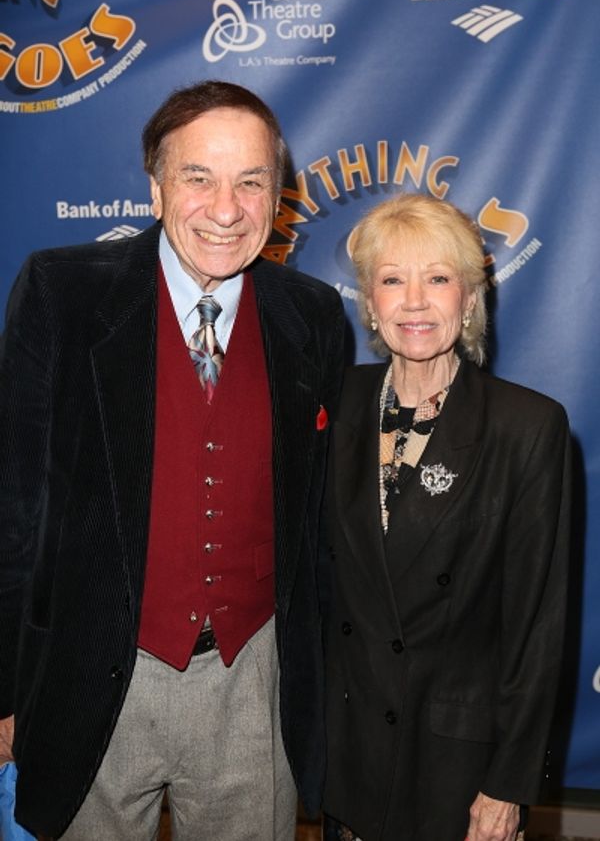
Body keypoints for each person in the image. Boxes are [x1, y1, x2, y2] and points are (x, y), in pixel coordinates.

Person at [0, 80, 344, 841]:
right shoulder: (62, 294)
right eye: (199, 178)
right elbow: (13, 511)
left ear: (277, 197)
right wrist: (4, 690)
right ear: (157, 189)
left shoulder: (313, 316)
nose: (227, 209)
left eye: (251, 182)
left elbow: (318, 527)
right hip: (94, 674)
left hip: (252, 681)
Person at [321, 193, 570, 841]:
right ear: (370, 302)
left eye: (438, 279)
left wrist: (507, 785)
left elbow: (536, 626)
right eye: (392, 280)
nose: (415, 301)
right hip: (350, 754)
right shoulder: (333, 405)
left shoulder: (527, 426)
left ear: (468, 299)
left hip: (458, 765)